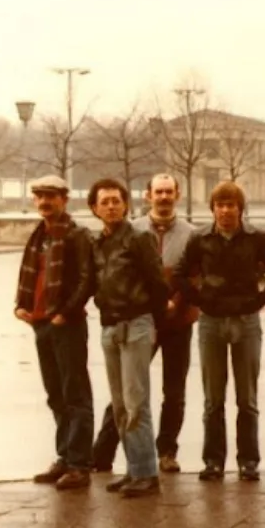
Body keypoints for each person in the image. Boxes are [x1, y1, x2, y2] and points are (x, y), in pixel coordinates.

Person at [172, 181, 265, 482]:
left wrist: (257, 302)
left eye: (231, 205)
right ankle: (213, 461)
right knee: (213, 398)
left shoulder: (257, 238)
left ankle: (248, 461)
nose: (226, 211)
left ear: (240, 209)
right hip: (211, 323)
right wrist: (200, 301)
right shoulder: (200, 238)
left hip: (246, 323)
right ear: (212, 209)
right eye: (220, 205)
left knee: (246, 398)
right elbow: (180, 275)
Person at [94, 174, 198, 474]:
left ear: (177, 194)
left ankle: (166, 451)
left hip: (178, 321)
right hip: (140, 319)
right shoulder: (133, 230)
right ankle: (103, 451)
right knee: (127, 389)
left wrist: (174, 305)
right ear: (147, 195)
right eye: (158, 192)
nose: (164, 197)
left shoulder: (192, 234)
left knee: (174, 390)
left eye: (169, 192)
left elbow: (193, 277)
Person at [88, 178, 170, 498]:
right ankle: (133, 469)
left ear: (126, 204)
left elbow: (158, 284)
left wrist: (153, 325)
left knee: (137, 402)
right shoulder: (98, 244)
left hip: (136, 324)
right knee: (120, 405)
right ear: (94, 208)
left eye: (116, 200)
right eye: (104, 201)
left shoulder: (139, 239)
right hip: (109, 327)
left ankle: (147, 473)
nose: (111, 206)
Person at [14, 175, 97, 491]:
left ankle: (79, 463)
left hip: (67, 324)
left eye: (51, 196)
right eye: (39, 196)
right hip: (41, 323)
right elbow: (30, 275)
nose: (45, 202)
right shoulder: (40, 236)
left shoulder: (76, 236)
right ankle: (65, 456)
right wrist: (21, 305)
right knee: (56, 394)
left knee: (75, 394)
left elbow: (86, 280)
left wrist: (67, 312)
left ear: (64, 199)